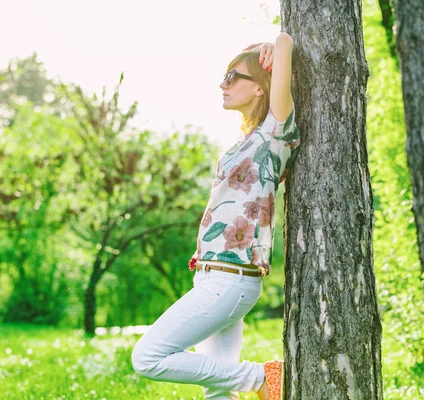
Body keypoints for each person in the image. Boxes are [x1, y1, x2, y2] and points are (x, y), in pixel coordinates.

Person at [131, 32, 301, 400]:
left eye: (233, 77)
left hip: (230, 280)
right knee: (217, 392)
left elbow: (285, 41)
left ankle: (261, 378)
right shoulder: (246, 140)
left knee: (147, 357)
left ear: (260, 88)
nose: (223, 85)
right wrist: (257, 52)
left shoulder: (276, 132)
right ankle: (252, 380)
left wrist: (273, 46)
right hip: (212, 276)